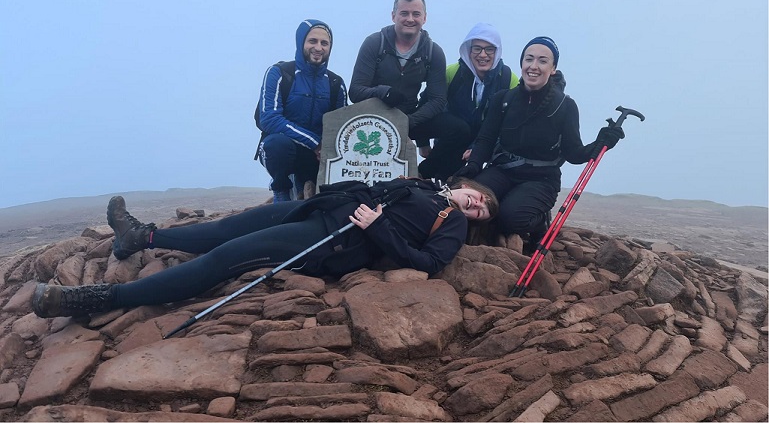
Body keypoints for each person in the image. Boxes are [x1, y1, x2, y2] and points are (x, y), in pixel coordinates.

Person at [31, 177, 498, 318]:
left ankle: (97, 300)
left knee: (227, 258)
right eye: (478, 197)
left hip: (333, 242)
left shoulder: (451, 223)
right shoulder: (427, 186)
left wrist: (378, 227)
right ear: (466, 186)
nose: (477, 206)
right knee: (228, 228)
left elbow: (429, 264)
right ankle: (141, 238)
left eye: (483, 211)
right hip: (321, 210)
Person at [451, 36, 624, 251]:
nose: (534, 66)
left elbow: (574, 153)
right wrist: (473, 167)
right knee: (466, 201)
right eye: (529, 59)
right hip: (502, 170)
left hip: (541, 179)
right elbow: (486, 140)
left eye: (542, 61)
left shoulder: (565, 106)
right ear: (521, 63)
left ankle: (540, 221)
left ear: (553, 68)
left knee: (508, 219)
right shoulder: (503, 100)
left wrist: (602, 142)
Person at [349, 0, 471, 182]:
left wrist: (408, 121)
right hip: (372, 119)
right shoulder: (375, 43)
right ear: (393, 16)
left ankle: (424, 175)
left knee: (459, 129)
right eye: (404, 13)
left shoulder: (433, 52)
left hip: (408, 118)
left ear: (424, 18)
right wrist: (382, 92)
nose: (410, 19)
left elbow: (437, 100)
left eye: (416, 14)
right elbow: (355, 91)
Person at [255, 19, 347, 202]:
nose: (318, 48)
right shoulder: (279, 73)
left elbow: (342, 126)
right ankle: (281, 194)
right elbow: (269, 119)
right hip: (285, 149)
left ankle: (308, 188)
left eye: (324, 43)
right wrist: (314, 142)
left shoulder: (336, 83)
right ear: (301, 42)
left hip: (316, 156)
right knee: (276, 145)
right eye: (312, 41)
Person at [416, 22, 518, 164]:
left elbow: (511, 123)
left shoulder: (508, 79)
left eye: (489, 49)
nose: (483, 55)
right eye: (477, 48)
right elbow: (426, 103)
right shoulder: (452, 73)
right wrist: (422, 143)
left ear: (497, 51)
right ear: (468, 50)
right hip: (453, 142)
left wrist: (478, 149)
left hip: (489, 146)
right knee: (446, 181)